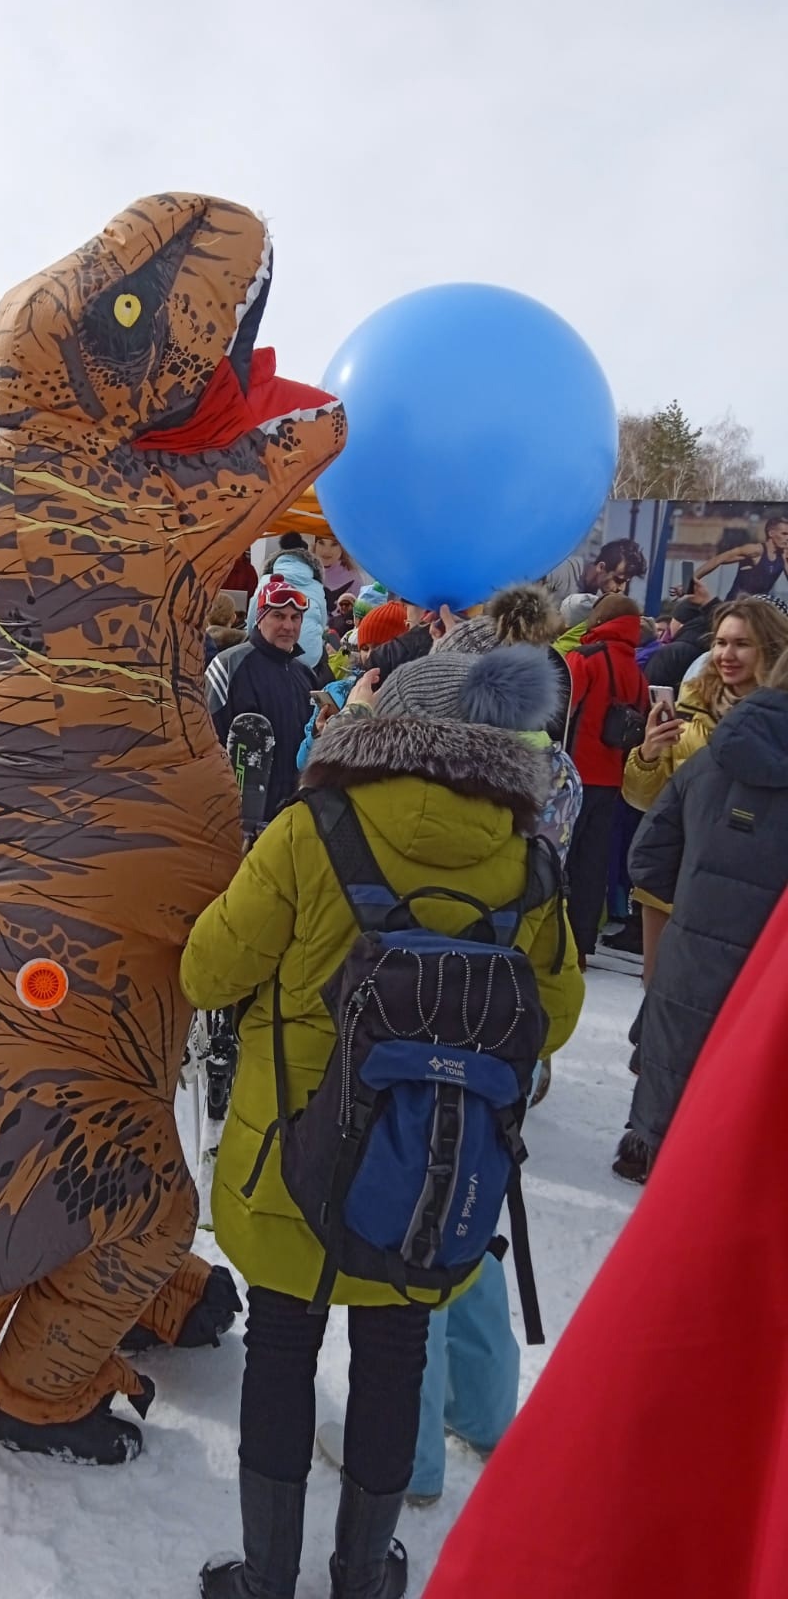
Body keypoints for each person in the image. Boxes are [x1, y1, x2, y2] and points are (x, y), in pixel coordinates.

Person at [183, 644, 583, 1599]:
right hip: (431, 1164)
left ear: (384, 727)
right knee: (395, 1355)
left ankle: (265, 1575)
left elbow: (207, 972)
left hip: (292, 1152)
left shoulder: (309, 829)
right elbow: (555, 1015)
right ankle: (365, 1574)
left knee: (281, 1346)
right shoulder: (529, 859)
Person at [613, 652, 788, 1187]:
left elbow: (646, 859)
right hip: (770, 969)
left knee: (677, 1046)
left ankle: (647, 1146)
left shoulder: (711, 759)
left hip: (689, 949)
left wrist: (696, 900)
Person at [563, 595, 647, 966]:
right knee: (592, 864)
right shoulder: (636, 668)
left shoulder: (585, 658)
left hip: (574, 774)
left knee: (559, 860)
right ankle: (582, 944)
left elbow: (562, 711)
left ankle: (555, 941)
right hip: (610, 779)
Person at [207, 576, 315, 821]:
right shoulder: (228, 665)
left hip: (290, 812)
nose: (288, 626)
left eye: (295, 618)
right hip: (237, 814)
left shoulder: (305, 674)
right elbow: (203, 738)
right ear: (260, 617)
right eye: (279, 616)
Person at [246, 532, 329, 670]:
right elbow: (323, 622)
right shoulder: (316, 586)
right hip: (310, 659)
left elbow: (251, 621)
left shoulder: (266, 580)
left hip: (267, 655)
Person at [691, 513, 788, 600]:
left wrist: (785, 560)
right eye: (784, 534)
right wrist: (689, 583)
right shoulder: (755, 550)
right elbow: (718, 559)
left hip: (755, 609)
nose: (787, 538)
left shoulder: (783, 556)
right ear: (771, 533)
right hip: (735, 605)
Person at [542, 538, 648, 609]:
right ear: (601, 567)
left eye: (626, 582)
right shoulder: (560, 569)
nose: (621, 588)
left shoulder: (599, 601)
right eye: (618, 580)